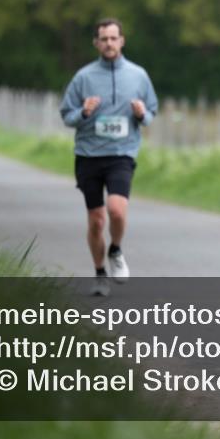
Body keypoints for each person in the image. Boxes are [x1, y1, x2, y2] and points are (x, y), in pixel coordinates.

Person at [59, 18, 159, 296]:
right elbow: (66, 115)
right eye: (104, 39)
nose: (109, 43)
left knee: (116, 210)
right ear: (96, 43)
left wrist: (142, 114)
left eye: (114, 38)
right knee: (96, 220)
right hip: (89, 155)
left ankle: (115, 249)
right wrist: (84, 112)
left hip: (121, 154)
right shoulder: (83, 77)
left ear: (122, 41)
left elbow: (151, 111)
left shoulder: (138, 75)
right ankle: (100, 273)